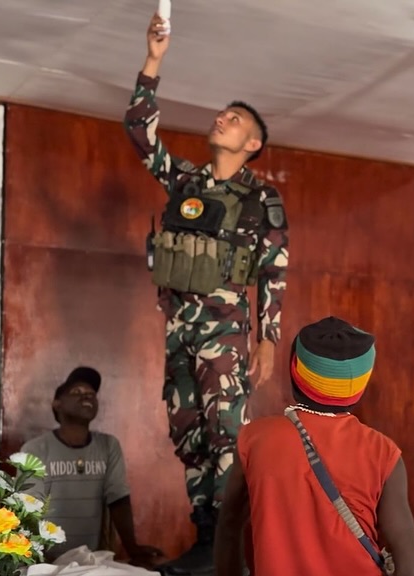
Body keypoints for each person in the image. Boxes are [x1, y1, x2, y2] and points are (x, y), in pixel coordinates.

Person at [123, 11, 290, 575]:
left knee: (226, 434)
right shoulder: (185, 181)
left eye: (235, 117)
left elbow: (273, 271)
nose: (223, 118)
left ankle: (228, 547)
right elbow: (139, 132)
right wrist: (154, 61)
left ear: (254, 142)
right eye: (224, 113)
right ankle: (204, 540)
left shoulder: (259, 199)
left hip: (224, 329)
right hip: (178, 325)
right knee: (186, 430)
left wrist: (266, 341)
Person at [214, 317, 414, 576]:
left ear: (295, 372)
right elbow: (411, 564)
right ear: (360, 383)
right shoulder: (383, 453)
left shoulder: (254, 440)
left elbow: (228, 526)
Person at [21, 367, 164, 566]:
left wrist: (133, 548)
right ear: (57, 404)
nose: (86, 396)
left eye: (90, 394)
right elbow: (28, 510)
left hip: (92, 561)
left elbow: (118, 499)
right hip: (46, 562)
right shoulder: (35, 449)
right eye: (76, 393)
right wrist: (38, 561)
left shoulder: (108, 446)